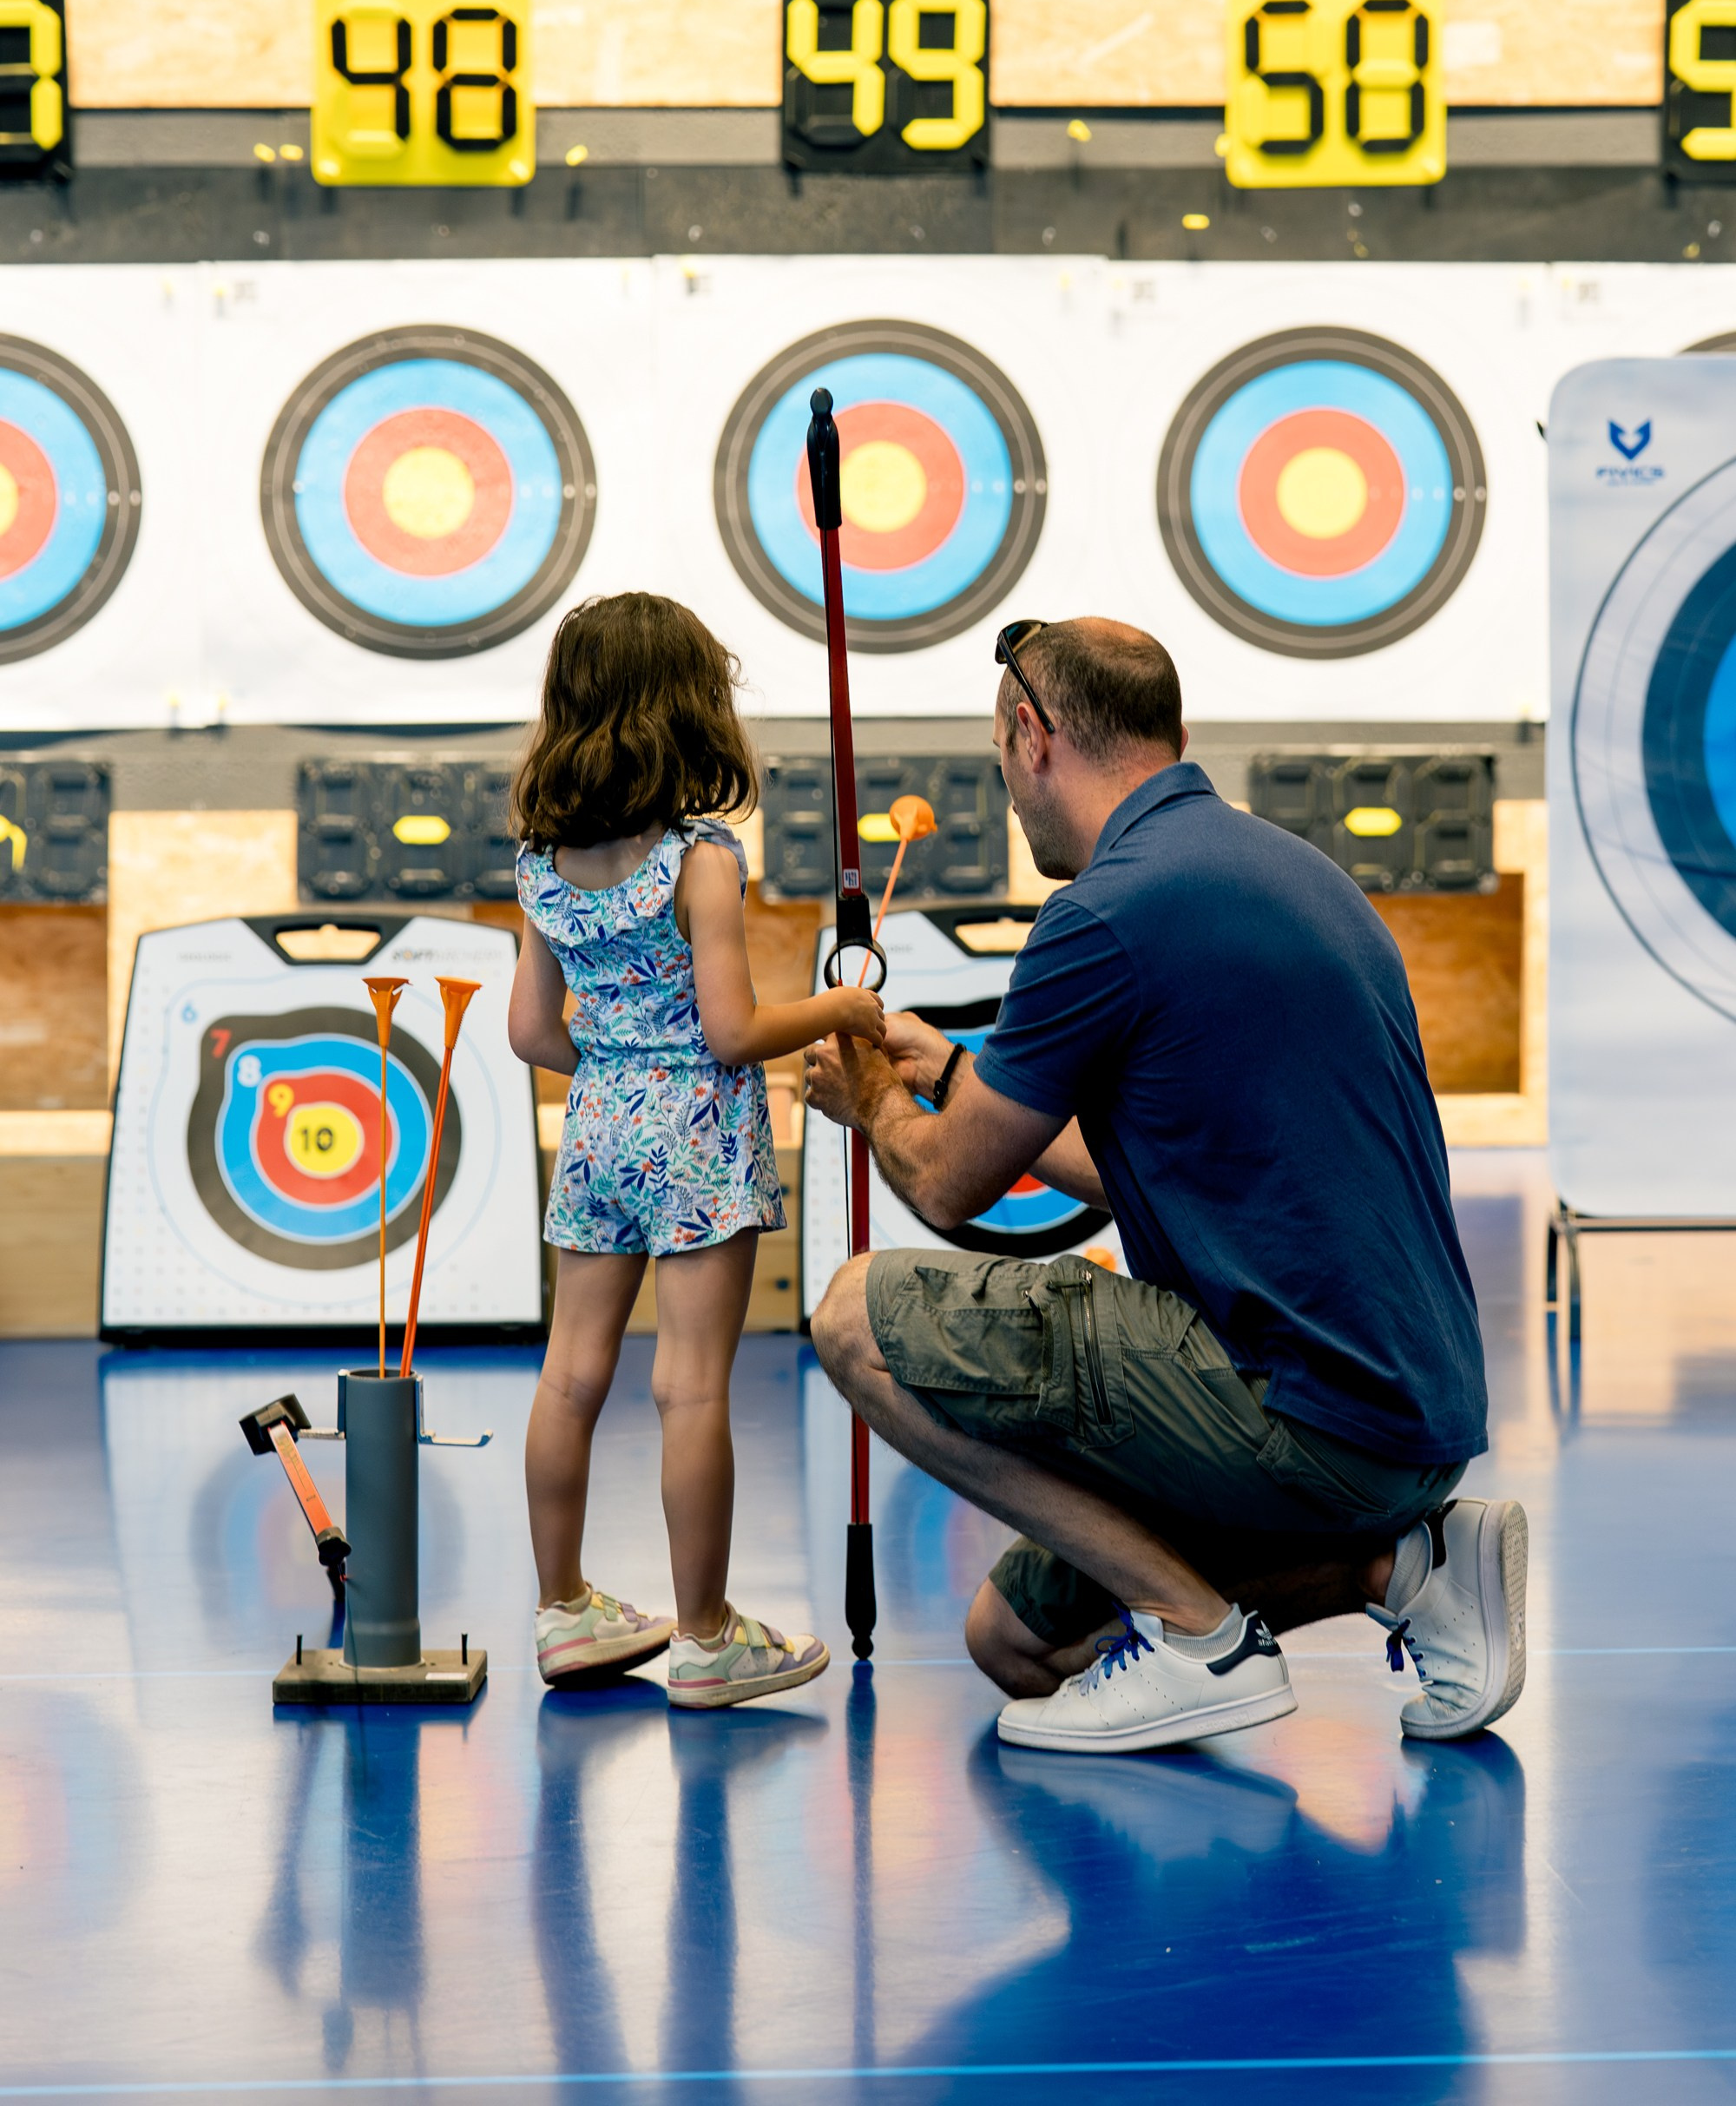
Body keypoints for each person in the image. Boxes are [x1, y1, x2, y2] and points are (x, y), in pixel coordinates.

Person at [805, 615, 1524, 1756]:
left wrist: (871, 1106)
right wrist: (942, 1067)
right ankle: (1407, 1568)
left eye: (1003, 760)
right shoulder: (1287, 869)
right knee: (1017, 1642)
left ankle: (1203, 1642)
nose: (1009, 792)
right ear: (1171, 732)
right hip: (1409, 1420)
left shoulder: (1100, 912)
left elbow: (946, 1189)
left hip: (1303, 1408)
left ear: (1030, 733)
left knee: (853, 1319)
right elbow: (1161, 1167)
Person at [509, 591, 884, 1707]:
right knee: (690, 1389)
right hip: (697, 1134)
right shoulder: (700, 859)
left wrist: (620, 1072)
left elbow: (532, 1032)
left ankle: (564, 1613)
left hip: (594, 1129)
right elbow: (729, 1033)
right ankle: (710, 1638)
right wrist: (837, 1015)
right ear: (688, 714)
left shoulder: (543, 862)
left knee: (570, 1375)